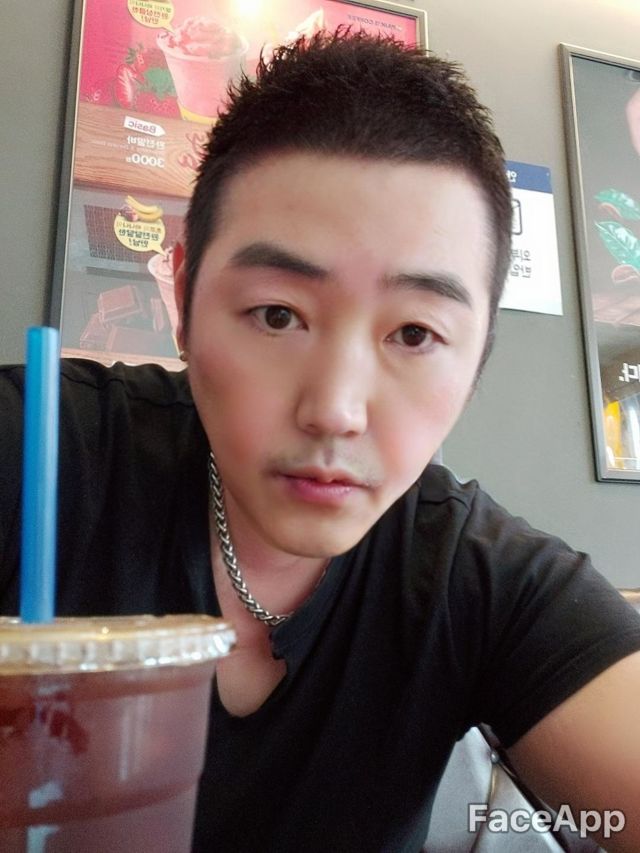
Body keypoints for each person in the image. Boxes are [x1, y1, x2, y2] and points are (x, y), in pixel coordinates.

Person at [2, 30, 640, 852]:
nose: (336, 410)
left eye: (414, 333)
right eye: (278, 315)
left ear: (480, 352)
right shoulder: (39, 452)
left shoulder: (476, 579)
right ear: (184, 295)